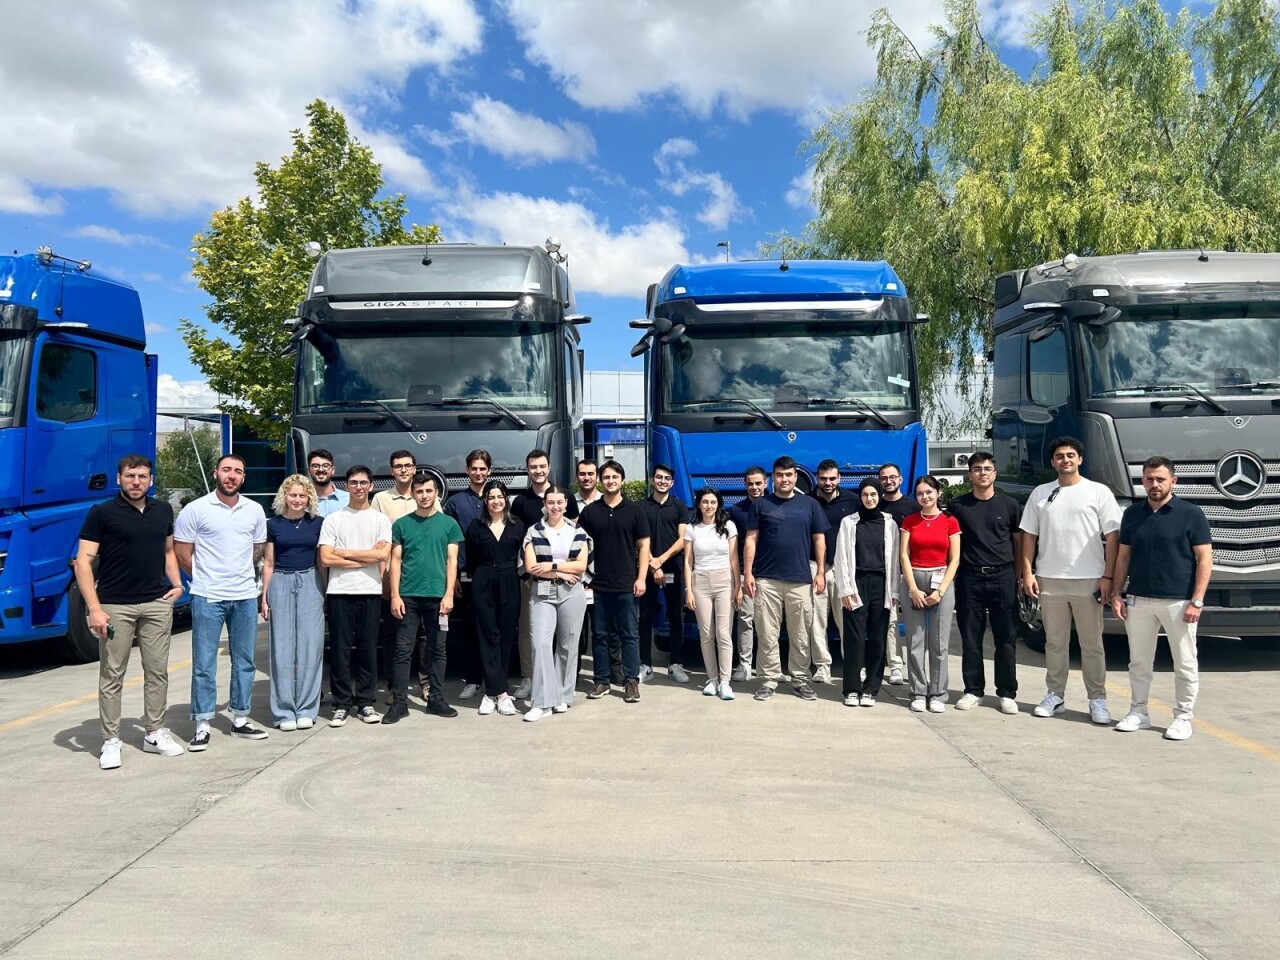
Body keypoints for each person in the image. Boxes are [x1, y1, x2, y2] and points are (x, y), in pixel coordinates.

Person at [75, 454, 185, 770]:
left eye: (142, 476)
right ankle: (111, 739)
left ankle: (154, 732)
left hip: (155, 603)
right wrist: (94, 609)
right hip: (114, 606)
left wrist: (177, 584)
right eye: (130, 476)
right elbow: (83, 562)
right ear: (119, 478)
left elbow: (168, 550)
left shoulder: (162, 510)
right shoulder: (102, 513)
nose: (136, 482)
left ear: (151, 480)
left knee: (157, 671)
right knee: (113, 674)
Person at [1018, 437, 1122, 724]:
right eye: (1060, 456)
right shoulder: (1041, 493)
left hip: (1089, 579)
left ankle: (1097, 699)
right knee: (1054, 643)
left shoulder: (1098, 492)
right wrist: (1028, 572)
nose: (1065, 460)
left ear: (1080, 459)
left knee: (1092, 644)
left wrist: (1108, 576)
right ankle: (1055, 695)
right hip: (1049, 579)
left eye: (1071, 455)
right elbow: (1029, 535)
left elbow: (1113, 536)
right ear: (1053, 462)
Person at [1110, 457, 1212, 741]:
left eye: (1160, 479)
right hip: (1138, 599)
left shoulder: (1191, 514)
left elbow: (1205, 559)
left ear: (1173, 481)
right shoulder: (1133, 514)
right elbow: (1123, 557)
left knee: (1185, 662)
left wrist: (1197, 600)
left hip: (1179, 601)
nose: (1154, 484)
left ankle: (1183, 717)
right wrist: (1117, 593)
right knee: (1139, 662)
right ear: (1142, 481)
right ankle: (1138, 712)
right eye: (1149, 479)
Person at [173, 454, 269, 750]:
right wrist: (206, 578)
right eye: (226, 469)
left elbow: (257, 548)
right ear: (216, 473)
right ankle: (202, 724)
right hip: (208, 596)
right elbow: (182, 552)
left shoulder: (254, 510)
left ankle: (240, 718)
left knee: (244, 661)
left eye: (238, 471)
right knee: (204, 663)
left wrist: (240, 574)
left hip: (244, 596)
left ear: (244, 477)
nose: (232, 475)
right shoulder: (195, 509)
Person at [744, 456, 830, 702]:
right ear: (773, 478)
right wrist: (748, 573)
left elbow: (819, 540)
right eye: (780, 475)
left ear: (796, 476)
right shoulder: (761, 505)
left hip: (800, 579)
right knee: (767, 634)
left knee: (801, 634)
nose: (784, 479)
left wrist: (820, 572)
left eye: (789, 475)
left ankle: (800, 680)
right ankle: (769, 680)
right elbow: (751, 539)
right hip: (767, 580)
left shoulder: (810, 504)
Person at [384, 472, 464, 723]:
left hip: (437, 597)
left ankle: (436, 699)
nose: (424, 495)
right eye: (419, 491)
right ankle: (399, 703)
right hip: (408, 597)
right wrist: (395, 595)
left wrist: (449, 594)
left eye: (429, 491)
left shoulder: (449, 524)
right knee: (402, 650)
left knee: (438, 650)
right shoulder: (401, 524)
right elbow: (395, 561)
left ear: (436, 493)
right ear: (413, 494)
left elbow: (452, 561)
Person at [319, 465, 392, 727]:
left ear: (371, 486)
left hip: (370, 591)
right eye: (353, 482)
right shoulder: (334, 519)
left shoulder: (380, 520)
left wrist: (345, 552)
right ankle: (341, 704)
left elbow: (382, 555)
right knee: (340, 650)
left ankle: (365, 702)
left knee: (367, 649)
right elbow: (326, 558)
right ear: (346, 485)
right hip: (339, 591)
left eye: (363, 483)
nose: (358, 487)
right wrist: (365, 556)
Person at [948, 452, 1021, 715]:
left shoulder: (1010, 505)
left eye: (987, 468)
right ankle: (973, 690)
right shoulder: (958, 506)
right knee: (970, 637)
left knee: (1006, 638)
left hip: (1003, 576)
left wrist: (1020, 576)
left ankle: (1006, 692)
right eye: (977, 469)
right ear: (970, 474)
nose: (983, 473)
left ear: (995, 473)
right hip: (970, 577)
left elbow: (1018, 542)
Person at [577, 460, 651, 703]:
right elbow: (580, 547)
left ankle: (631, 681)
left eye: (615, 477)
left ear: (622, 480)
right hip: (597, 584)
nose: (610, 481)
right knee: (599, 635)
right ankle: (601, 680)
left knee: (629, 634)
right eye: (606, 477)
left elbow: (643, 546)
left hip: (627, 583)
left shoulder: (635, 511)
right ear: (601, 481)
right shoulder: (590, 512)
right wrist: (583, 578)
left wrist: (641, 578)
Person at [510, 449, 580, 699]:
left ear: (549, 468)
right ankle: (530, 677)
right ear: (527, 470)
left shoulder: (565, 495)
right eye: (533, 467)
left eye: (542, 466)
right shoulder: (520, 501)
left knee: (566, 634)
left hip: (567, 578)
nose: (538, 471)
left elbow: (575, 536)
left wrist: (563, 569)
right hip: (533, 578)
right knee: (530, 631)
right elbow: (519, 538)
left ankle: (561, 685)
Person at [260, 475, 326, 731]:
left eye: (302, 495)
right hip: (281, 581)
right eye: (293, 495)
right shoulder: (274, 524)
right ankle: (284, 711)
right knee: (282, 648)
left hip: (310, 580)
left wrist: (326, 591)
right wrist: (264, 596)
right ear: (284, 496)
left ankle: (307, 708)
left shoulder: (317, 523)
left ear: (309, 498)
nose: (297, 500)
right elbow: (268, 563)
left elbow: (321, 561)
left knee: (311, 646)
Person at [523, 485, 591, 721]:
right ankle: (542, 702)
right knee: (540, 644)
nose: (555, 506)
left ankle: (562, 695)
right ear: (545, 504)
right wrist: (560, 572)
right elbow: (531, 566)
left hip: (572, 592)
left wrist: (551, 565)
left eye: (559, 502)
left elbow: (581, 565)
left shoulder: (578, 531)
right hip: (542, 592)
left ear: (566, 504)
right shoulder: (534, 531)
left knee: (568, 644)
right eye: (550, 502)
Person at [832, 478, 899, 708]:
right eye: (865, 495)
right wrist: (845, 589)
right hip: (856, 583)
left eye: (873, 495)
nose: (869, 499)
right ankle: (851, 689)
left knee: (878, 639)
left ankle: (871, 689)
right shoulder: (849, 522)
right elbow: (841, 557)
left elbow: (894, 561)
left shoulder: (890, 524)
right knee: (854, 638)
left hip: (881, 584)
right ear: (859, 497)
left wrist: (894, 592)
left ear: (880, 496)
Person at [899, 475, 960, 713]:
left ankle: (937, 693)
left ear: (938, 493)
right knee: (915, 640)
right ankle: (917, 691)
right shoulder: (910, 521)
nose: (925, 497)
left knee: (939, 642)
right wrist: (913, 588)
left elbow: (955, 559)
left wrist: (941, 590)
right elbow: (903, 556)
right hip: (914, 578)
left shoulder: (950, 521)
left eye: (929, 492)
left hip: (941, 579)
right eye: (920, 493)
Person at [465, 480, 524, 717]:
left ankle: (493, 692)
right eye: (491, 497)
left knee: (506, 636)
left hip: (510, 580)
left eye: (500, 497)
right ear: (485, 501)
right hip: (483, 580)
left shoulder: (517, 525)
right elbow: (470, 559)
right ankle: (498, 694)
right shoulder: (475, 526)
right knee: (487, 635)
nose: (496, 501)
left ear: (506, 499)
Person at [683, 487, 740, 700]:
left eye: (713, 502)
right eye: (705, 502)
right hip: (700, 581)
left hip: (724, 580)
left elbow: (734, 558)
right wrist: (688, 590)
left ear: (718, 505)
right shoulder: (691, 528)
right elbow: (688, 561)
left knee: (724, 633)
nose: (709, 506)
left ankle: (725, 681)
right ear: (699, 504)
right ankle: (712, 679)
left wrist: (738, 586)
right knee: (706, 634)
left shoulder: (728, 526)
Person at [372, 450, 419, 693]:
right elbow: (377, 542)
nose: (403, 470)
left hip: (421, 575)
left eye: (407, 465)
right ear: (392, 471)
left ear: (414, 469)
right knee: (393, 634)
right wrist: (384, 579)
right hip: (394, 576)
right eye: (398, 466)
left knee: (423, 635)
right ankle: (393, 685)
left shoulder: (425, 495)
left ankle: (426, 683)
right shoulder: (381, 499)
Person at [638, 463, 689, 683]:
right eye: (659, 477)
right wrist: (653, 564)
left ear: (672, 482)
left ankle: (675, 664)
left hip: (673, 569)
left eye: (667, 479)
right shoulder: (641, 506)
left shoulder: (679, 506)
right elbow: (639, 538)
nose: (662, 481)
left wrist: (661, 560)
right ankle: (645, 665)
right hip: (647, 569)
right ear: (652, 480)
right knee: (645, 616)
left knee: (675, 616)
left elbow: (682, 539)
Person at [447, 450, 491, 701]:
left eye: (482, 468)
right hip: (466, 575)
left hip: (494, 574)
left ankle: (494, 680)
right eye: (474, 468)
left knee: (493, 628)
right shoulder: (455, 503)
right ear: (467, 471)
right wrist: (453, 576)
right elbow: (450, 543)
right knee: (471, 630)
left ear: (489, 471)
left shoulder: (497, 498)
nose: (478, 473)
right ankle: (473, 680)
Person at [810, 459, 858, 683]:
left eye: (832, 478)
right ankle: (822, 666)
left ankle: (853, 664)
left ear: (839, 478)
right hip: (816, 567)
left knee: (847, 620)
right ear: (816, 478)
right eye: (823, 479)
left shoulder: (853, 501)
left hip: (844, 569)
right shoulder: (808, 501)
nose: (827, 483)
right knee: (817, 621)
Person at [574, 458, 617, 684]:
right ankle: (574, 674)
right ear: (577, 477)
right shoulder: (569, 502)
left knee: (609, 628)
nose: (586, 478)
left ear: (597, 477)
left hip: (605, 576)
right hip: (579, 576)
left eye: (591, 473)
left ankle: (614, 671)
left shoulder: (607, 501)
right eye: (582, 474)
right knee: (578, 629)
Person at [727, 466, 767, 682]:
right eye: (750, 483)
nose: (754, 487)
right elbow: (731, 546)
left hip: (770, 572)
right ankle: (744, 664)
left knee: (769, 623)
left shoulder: (775, 505)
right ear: (745, 485)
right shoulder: (736, 511)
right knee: (745, 620)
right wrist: (738, 576)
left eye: (758, 483)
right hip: (745, 573)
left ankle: (768, 666)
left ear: (766, 483)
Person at [878, 462, 916, 685]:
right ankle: (895, 666)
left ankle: (917, 668)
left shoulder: (913, 506)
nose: (888, 481)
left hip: (910, 573)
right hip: (886, 574)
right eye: (884, 478)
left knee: (913, 624)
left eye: (892, 477)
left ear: (900, 479)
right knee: (891, 621)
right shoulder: (876, 505)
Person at [307, 449, 349, 517]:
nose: (321, 469)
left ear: (333, 470)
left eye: (325, 466)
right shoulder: (301, 501)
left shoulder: (349, 500)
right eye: (315, 466)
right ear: (308, 470)